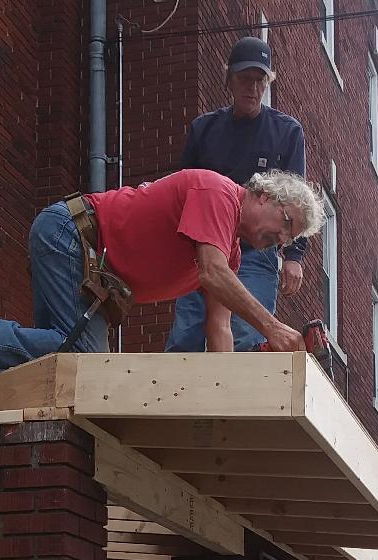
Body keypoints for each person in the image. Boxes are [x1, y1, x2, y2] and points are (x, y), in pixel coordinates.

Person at [0, 167, 325, 402]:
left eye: (292, 239)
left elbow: (220, 331)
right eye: (287, 223)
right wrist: (273, 328)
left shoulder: (228, 251)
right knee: (83, 366)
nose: (283, 240)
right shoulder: (217, 194)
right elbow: (213, 274)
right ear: (264, 196)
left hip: (88, 264)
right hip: (72, 234)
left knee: (56, 377)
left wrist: (224, 399)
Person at [166, 36, 307, 353]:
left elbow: (297, 201)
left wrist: (294, 257)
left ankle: (242, 402)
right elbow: (183, 191)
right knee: (186, 333)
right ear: (228, 77)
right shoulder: (204, 129)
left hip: (255, 252)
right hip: (204, 248)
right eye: (245, 79)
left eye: (261, 81)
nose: (253, 89)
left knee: (248, 336)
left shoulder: (287, 132)